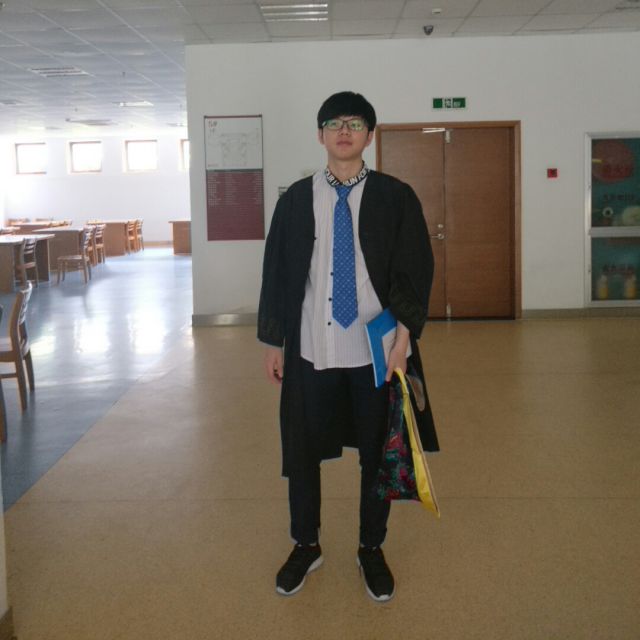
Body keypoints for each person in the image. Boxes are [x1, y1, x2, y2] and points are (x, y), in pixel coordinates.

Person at [258, 91, 439, 602]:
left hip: (374, 352)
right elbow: (277, 272)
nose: (344, 131)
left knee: (377, 455)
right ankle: (306, 544)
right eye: (334, 123)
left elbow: (414, 270)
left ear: (369, 135)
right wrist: (273, 340)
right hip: (311, 347)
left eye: (355, 123)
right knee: (302, 451)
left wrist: (404, 338)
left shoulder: (394, 197)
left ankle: (370, 548)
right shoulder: (296, 200)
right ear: (320, 134)